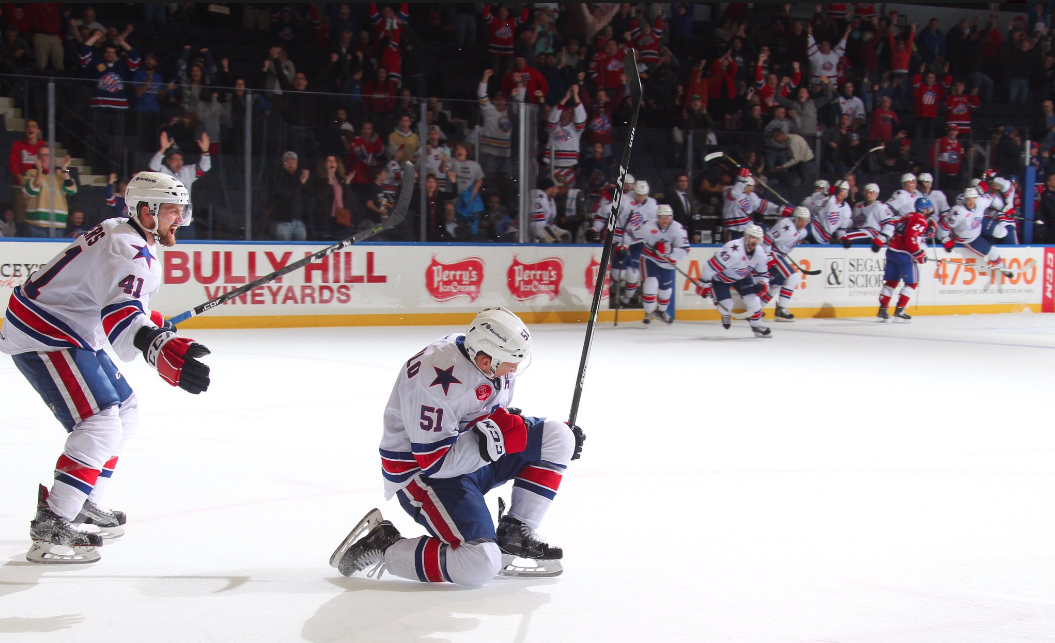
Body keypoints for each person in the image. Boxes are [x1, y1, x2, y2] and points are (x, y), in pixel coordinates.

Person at [0, 172, 211, 564]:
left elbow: (116, 300)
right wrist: (153, 343)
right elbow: (119, 315)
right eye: (172, 211)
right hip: (46, 332)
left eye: (182, 210)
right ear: (146, 211)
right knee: (100, 421)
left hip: (65, 326)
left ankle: (81, 501)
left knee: (125, 409)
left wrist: (150, 324)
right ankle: (53, 524)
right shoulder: (129, 251)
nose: (179, 219)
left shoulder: (122, 232)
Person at [329, 307, 584, 585]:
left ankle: (515, 532)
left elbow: (482, 414)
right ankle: (385, 546)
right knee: (480, 565)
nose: (515, 369)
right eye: (511, 363)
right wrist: (498, 438)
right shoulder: (439, 381)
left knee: (559, 437)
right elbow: (436, 462)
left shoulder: (482, 358)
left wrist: (508, 430)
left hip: (466, 457)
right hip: (422, 475)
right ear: (486, 360)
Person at [694, 224, 772, 338]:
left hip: (742, 277)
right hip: (721, 278)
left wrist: (762, 283)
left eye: (757, 238)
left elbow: (763, 273)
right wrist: (704, 284)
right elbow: (709, 267)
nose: (754, 241)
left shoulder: (760, 253)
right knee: (726, 305)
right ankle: (725, 315)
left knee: (754, 300)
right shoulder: (733, 250)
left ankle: (757, 326)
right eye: (752, 237)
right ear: (745, 236)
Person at [937, 187, 1015, 278]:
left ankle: (989, 239)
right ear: (965, 199)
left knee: (1002, 232)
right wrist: (946, 239)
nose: (971, 202)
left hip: (978, 224)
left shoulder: (981, 201)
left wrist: (1005, 208)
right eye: (968, 199)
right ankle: (1004, 269)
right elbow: (944, 225)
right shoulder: (958, 212)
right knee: (993, 252)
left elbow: (991, 197)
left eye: (974, 198)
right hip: (969, 238)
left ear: (977, 198)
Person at [877, 199, 930, 322]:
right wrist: (919, 253)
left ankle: (883, 308)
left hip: (892, 251)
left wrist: (926, 235)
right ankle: (900, 309)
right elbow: (910, 237)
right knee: (912, 283)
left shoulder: (908, 215)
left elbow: (904, 231)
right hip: (905, 255)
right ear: (925, 209)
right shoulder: (921, 220)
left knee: (892, 281)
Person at [637, 204, 689, 325]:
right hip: (650, 259)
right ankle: (649, 312)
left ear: (671, 217)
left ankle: (661, 311)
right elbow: (633, 235)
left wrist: (670, 251)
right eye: (662, 217)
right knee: (651, 284)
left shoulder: (678, 229)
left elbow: (685, 252)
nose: (665, 220)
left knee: (665, 290)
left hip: (667, 263)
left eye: (667, 217)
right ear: (657, 217)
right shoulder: (647, 226)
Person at [761, 207, 811, 322]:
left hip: (780, 254)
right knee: (792, 277)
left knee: (779, 283)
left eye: (806, 221)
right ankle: (781, 310)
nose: (803, 223)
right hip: (773, 252)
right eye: (801, 220)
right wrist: (767, 256)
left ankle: (756, 309)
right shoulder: (786, 225)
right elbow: (767, 239)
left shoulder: (803, 232)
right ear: (796, 219)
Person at [721, 168, 791, 242]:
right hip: (733, 230)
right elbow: (734, 194)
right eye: (750, 187)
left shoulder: (751, 196)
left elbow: (763, 206)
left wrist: (779, 210)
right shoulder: (728, 191)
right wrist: (742, 180)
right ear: (744, 186)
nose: (752, 189)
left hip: (748, 230)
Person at [22, 146, 76, 237]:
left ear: (53, 159)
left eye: (47, 155)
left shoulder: (60, 173)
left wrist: (65, 168)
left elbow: (71, 189)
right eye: (41, 155)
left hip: (58, 224)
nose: (44, 158)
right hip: (37, 224)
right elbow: (32, 190)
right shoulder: (31, 172)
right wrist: (39, 170)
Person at [148, 131, 211, 199]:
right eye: (175, 159)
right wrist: (163, 149)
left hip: (184, 209)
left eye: (180, 159)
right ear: (168, 161)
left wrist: (205, 150)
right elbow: (153, 166)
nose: (179, 162)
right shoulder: (163, 172)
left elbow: (205, 167)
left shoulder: (187, 171)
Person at [8, 119, 43, 237]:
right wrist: (20, 178)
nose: (30, 128)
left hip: (38, 187)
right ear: (25, 130)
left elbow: (51, 166)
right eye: (28, 126)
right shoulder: (18, 145)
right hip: (20, 186)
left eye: (33, 126)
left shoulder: (43, 146)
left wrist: (66, 170)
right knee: (21, 216)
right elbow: (13, 163)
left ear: (38, 130)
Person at [545, 85, 586, 184]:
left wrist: (575, 95)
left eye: (567, 112)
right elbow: (552, 118)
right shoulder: (554, 127)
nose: (564, 114)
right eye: (562, 112)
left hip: (569, 167)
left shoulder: (576, 129)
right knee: (553, 192)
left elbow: (581, 118)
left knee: (567, 194)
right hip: (553, 166)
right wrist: (566, 97)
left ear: (571, 115)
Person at [266, 151, 312, 241]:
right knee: (283, 249)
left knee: (301, 251)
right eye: (288, 162)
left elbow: (310, 193)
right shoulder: (278, 177)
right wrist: (301, 182)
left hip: (299, 221)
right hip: (283, 221)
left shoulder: (298, 177)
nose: (291, 164)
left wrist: (304, 180)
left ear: (297, 164)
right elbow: (284, 194)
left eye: (293, 162)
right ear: (283, 164)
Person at [841, 183, 895, 248]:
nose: (868, 195)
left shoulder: (880, 207)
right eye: (866, 192)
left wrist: (881, 239)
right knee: (841, 236)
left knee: (845, 237)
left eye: (871, 193)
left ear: (876, 194)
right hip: (859, 230)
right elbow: (852, 222)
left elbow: (889, 224)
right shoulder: (858, 206)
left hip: (872, 233)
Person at [807, 180, 852, 244]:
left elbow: (841, 229)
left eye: (843, 190)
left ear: (846, 193)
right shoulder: (828, 199)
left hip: (823, 239)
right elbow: (814, 202)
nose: (840, 192)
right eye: (839, 190)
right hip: (811, 228)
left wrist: (843, 238)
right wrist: (829, 192)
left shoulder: (847, 209)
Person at [530, 177, 568, 243]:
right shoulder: (537, 196)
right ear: (550, 188)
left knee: (565, 236)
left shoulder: (550, 199)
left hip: (541, 228)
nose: (558, 191)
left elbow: (549, 222)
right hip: (522, 232)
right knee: (554, 242)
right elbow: (537, 224)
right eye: (556, 188)